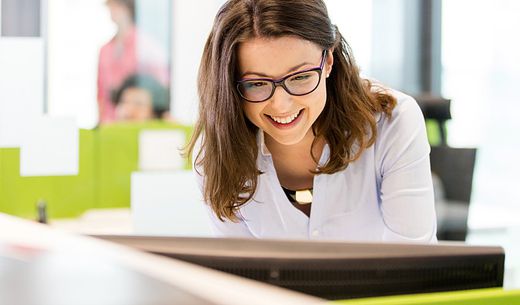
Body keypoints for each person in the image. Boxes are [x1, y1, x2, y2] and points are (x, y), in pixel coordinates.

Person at [186, 0, 437, 243]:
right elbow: (237, 275)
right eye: (257, 84)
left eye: (300, 77)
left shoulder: (393, 122)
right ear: (229, 83)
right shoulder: (216, 153)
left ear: (328, 61)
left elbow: (412, 261)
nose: (282, 105)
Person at [97, 0, 169, 123]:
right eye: (110, 8)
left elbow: (160, 87)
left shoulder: (145, 45)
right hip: (111, 123)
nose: (112, 13)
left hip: (140, 122)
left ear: (127, 8)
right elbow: (101, 93)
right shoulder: (105, 50)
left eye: (116, 7)